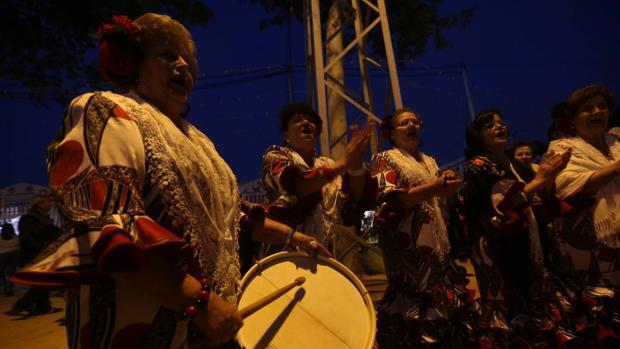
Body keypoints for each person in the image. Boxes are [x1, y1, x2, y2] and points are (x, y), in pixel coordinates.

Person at [13, 13, 329, 348]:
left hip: (208, 327)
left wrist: (297, 238)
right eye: (167, 54)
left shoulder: (199, 142)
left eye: (187, 60)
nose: (182, 65)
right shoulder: (109, 110)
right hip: (143, 323)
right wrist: (200, 301)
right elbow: (107, 229)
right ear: (134, 63)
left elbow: (232, 218)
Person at [370, 108, 478, 348]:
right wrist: (435, 188)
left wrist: (448, 187)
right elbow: (390, 199)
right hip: (409, 251)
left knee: (448, 318)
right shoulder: (385, 158)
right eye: (404, 123)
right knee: (414, 316)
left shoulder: (430, 161)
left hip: (438, 249)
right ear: (391, 133)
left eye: (415, 122)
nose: (411, 126)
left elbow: (443, 203)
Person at [462, 108, 571, 346]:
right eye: (490, 125)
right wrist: (542, 178)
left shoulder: (512, 163)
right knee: (504, 306)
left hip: (524, 239)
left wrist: (549, 179)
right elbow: (502, 204)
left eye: (501, 122)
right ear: (478, 135)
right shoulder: (478, 164)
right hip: (495, 247)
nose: (500, 127)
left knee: (531, 300)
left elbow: (534, 197)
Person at [546, 84, 620, 343]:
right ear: (573, 119)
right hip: (591, 246)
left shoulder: (618, 140)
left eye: (602, 106)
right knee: (601, 317)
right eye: (588, 108)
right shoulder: (563, 148)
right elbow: (569, 187)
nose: (597, 111)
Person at [261, 102, 377, 261]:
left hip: (327, 256)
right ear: (286, 135)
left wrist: (355, 164)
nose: (305, 123)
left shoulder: (327, 164)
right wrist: (344, 162)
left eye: (310, 120)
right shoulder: (275, 157)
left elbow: (353, 200)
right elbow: (300, 187)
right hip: (286, 256)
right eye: (297, 120)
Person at [9, 194, 61, 315]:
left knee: (43, 282)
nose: (50, 204)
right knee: (42, 283)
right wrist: (43, 247)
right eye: (48, 202)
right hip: (34, 255)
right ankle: (20, 306)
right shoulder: (29, 219)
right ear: (40, 205)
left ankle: (44, 307)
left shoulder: (44, 218)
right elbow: (27, 239)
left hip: (44, 254)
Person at [0, 223, 20, 297]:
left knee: (2, 274)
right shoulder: (16, 237)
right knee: (10, 273)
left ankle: (5, 288)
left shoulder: (0, 238)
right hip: (14, 255)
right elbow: (19, 246)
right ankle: (9, 290)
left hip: (2, 256)